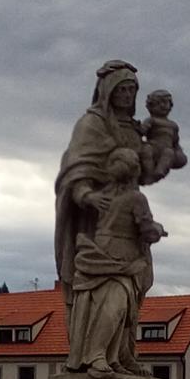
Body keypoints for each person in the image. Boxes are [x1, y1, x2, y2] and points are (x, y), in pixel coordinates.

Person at [55, 60, 145, 320]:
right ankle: (91, 352)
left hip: (127, 214)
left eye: (131, 90)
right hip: (93, 217)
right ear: (108, 92)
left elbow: (144, 168)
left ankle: (120, 354)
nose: (127, 96)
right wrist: (86, 194)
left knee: (131, 285)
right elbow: (75, 166)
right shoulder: (90, 124)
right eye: (122, 90)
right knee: (100, 285)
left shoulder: (133, 128)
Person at [66, 148, 167, 378]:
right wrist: (86, 196)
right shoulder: (102, 195)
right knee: (104, 308)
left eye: (116, 163)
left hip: (123, 259)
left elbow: (145, 229)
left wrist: (155, 230)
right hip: (97, 255)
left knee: (120, 309)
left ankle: (111, 356)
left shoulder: (136, 198)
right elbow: (73, 186)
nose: (111, 167)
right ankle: (96, 356)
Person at [140, 90, 187, 182]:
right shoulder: (151, 120)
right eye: (158, 103)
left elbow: (175, 142)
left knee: (169, 152)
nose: (163, 106)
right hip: (153, 146)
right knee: (146, 150)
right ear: (151, 106)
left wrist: (180, 152)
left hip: (166, 149)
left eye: (165, 102)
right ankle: (148, 172)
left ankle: (160, 171)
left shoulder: (173, 125)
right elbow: (142, 131)